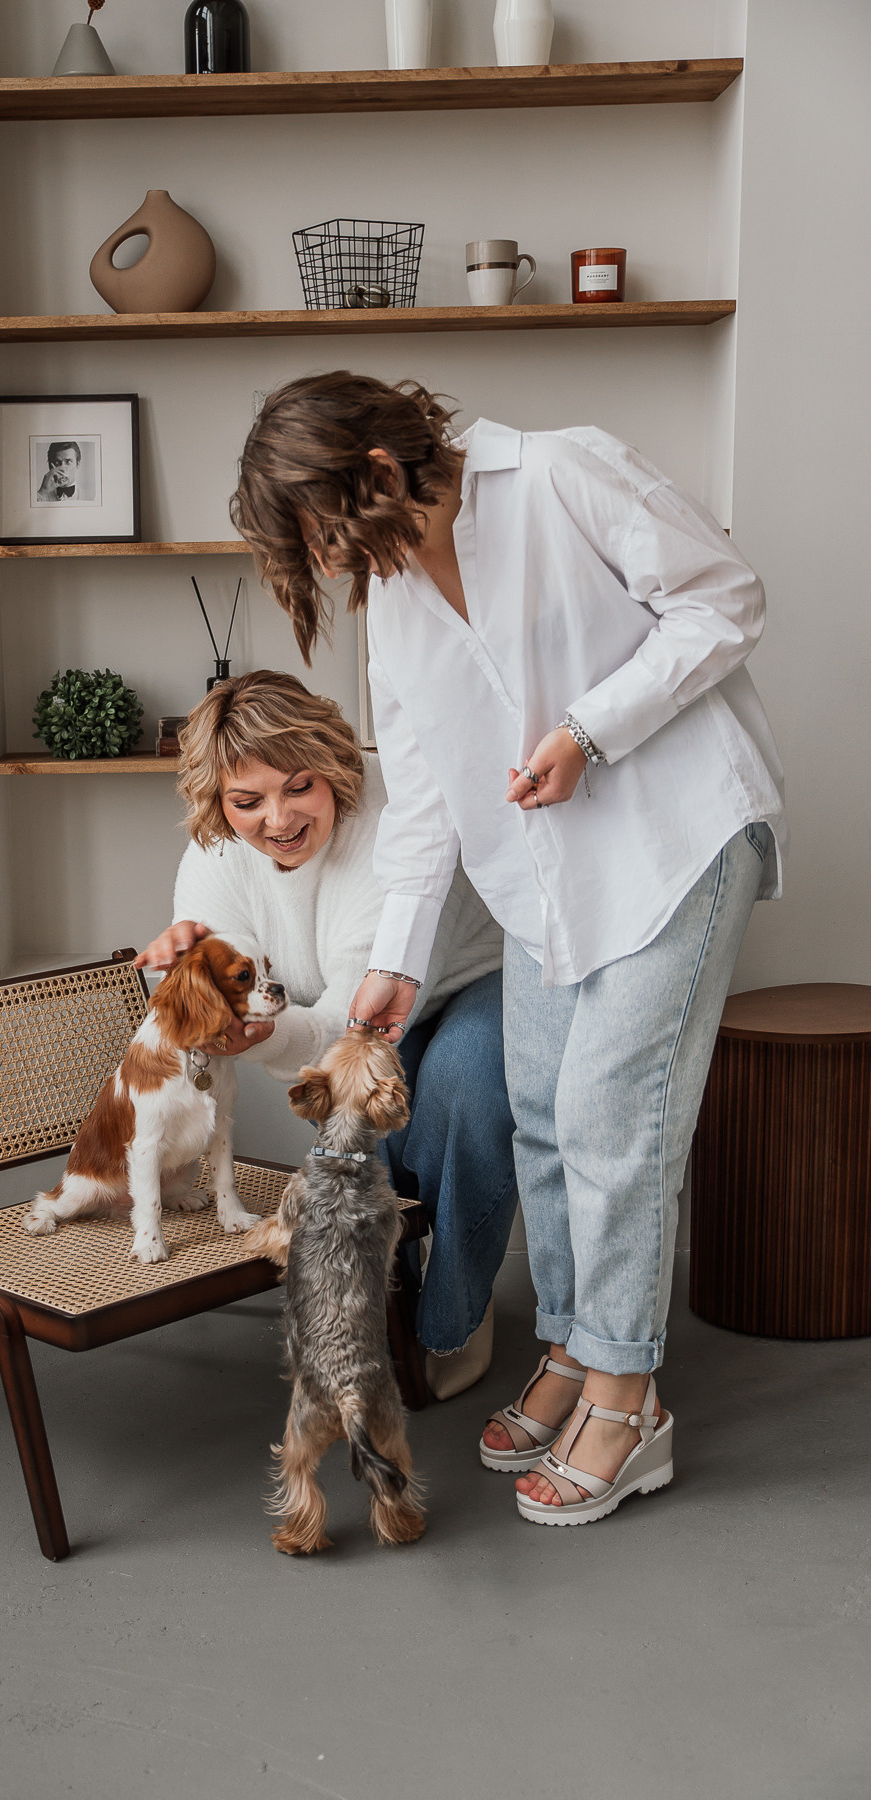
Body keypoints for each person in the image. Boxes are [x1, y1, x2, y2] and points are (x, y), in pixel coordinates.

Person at [231, 373, 786, 1524]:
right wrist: (396, 958)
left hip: (670, 841)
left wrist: (590, 729)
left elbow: (722, 601)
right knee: (540, 1114)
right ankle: (574, 1350)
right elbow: (425, 795)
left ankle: (628, 1397)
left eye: (332, 534)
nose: (338, 566)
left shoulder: (559, 472)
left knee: (607, 1120)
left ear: (378, 471)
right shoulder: (391, 594)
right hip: (542, 887)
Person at [135, 670, 518, 1397]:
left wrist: (263, 1037)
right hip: (353, 1017)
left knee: (461, 1093)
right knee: (373, 1137)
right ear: (218, 801)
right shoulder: (216, 853)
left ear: (335, 766)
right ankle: (395, 1308)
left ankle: (456, 1319)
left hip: (472, 979)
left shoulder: (389, 817)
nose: (277, 820)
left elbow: (353, 1021)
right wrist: (211, 1011)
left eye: (298, 787)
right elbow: (224, 978)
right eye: (247, 801)